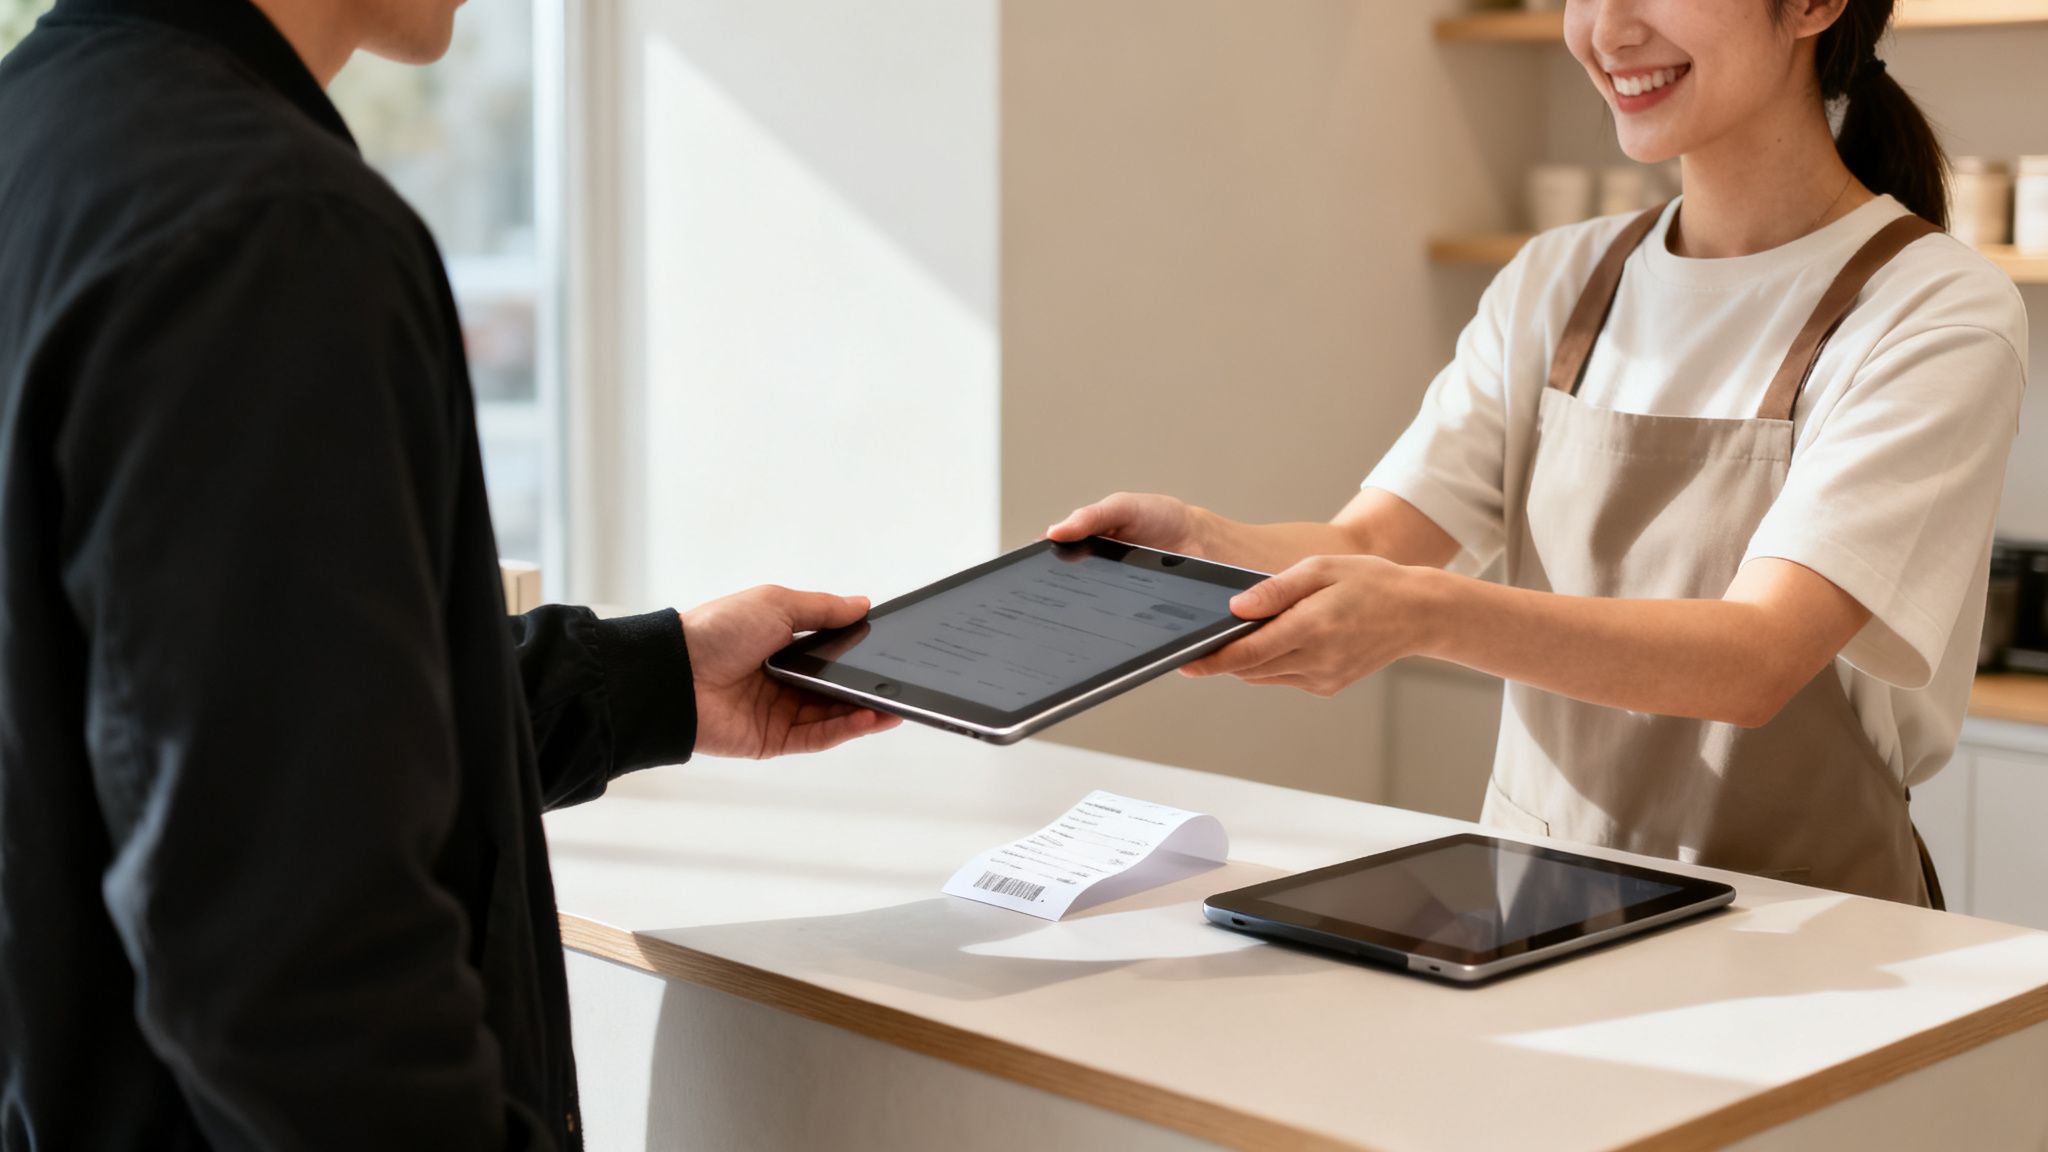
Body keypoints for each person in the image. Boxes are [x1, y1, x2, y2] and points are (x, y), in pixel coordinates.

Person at [0, 0, 898, 1147]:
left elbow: (189, 722)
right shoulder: (270, 230)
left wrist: (653, 679)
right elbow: (295, 964)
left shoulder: (44, 137)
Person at [1052, 0, 2027, 908]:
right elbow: (1376, 544)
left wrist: (1423, 615)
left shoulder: (1930, 312)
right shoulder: (1554, 282)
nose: (1603, 30)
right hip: (1536, 908)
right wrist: (1198, 544)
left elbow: (1755, 659)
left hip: (1805, 928)